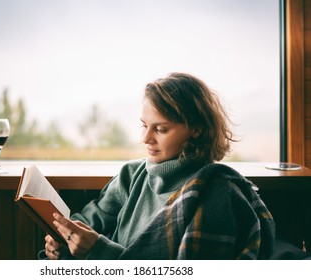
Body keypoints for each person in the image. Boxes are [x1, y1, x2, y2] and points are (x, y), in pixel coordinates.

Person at [41, 72, 275, 260]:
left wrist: (98, 252)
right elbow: (86, 221)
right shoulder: (131, 176)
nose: (145, 138)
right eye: (144, 125)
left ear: (196, 129)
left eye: (161, 129)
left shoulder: (216, 194)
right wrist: (62, 241)